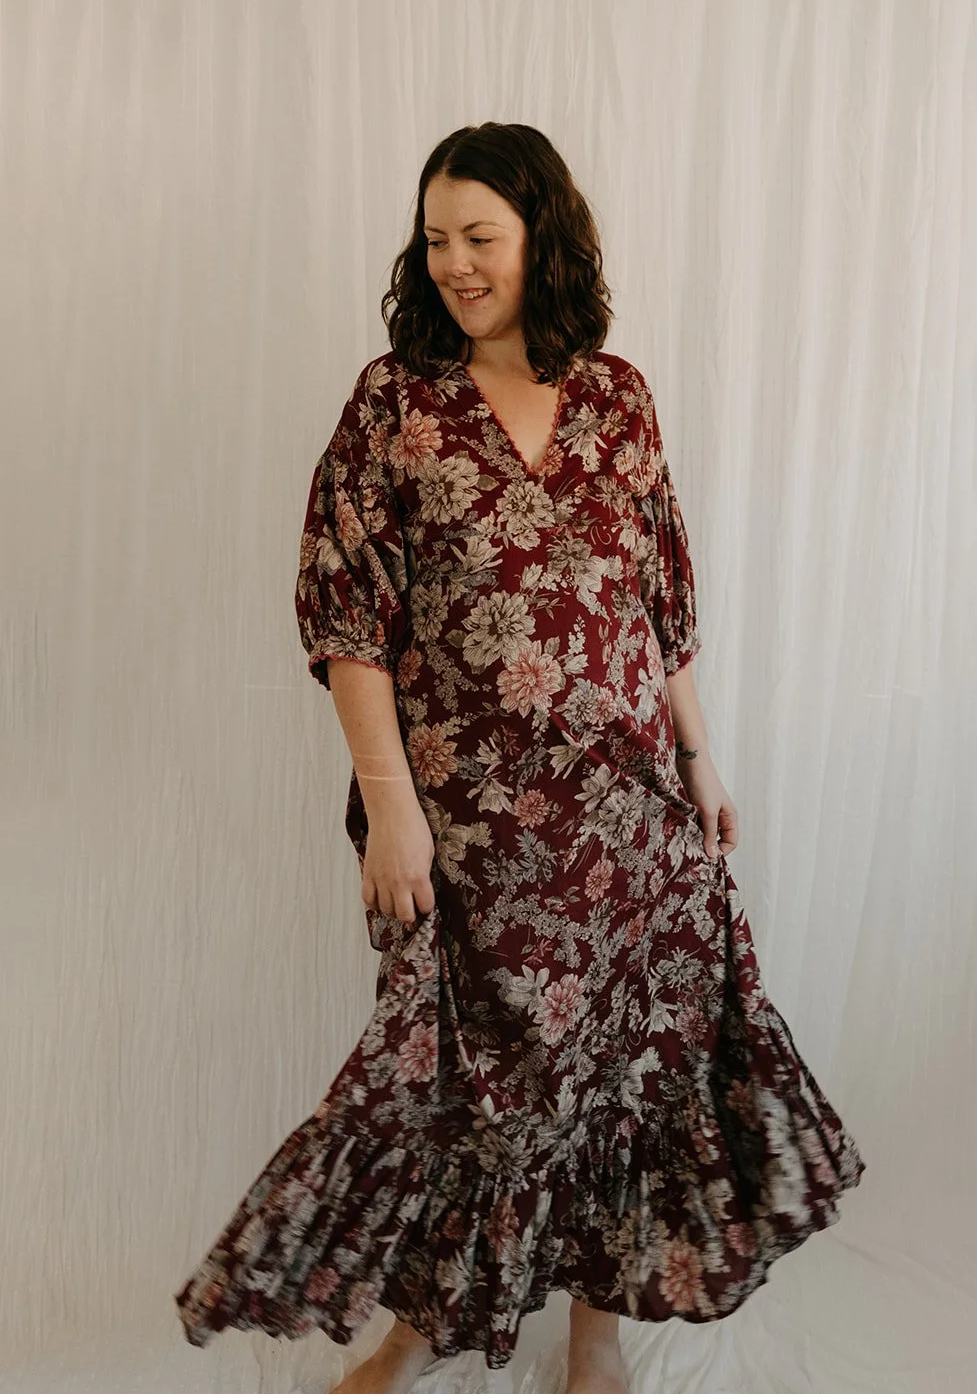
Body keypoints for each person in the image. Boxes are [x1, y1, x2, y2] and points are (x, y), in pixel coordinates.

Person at [175, 122, 865, 1394]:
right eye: (434, 238)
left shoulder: (618, 396)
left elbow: (656, 604)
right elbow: (347, 622)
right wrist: (392, 812)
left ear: (542, 236)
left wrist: (700, 757)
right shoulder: (397, 404)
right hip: (470, 830)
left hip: (632, 821)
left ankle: (595, 1342)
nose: (452, 263)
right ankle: (418, 1331)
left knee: (629, 1068)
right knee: (460, 1087)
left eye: (478, 236)